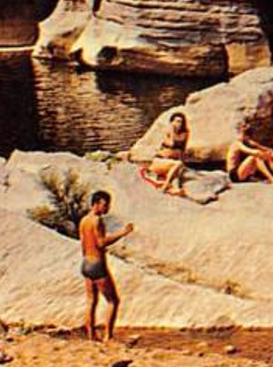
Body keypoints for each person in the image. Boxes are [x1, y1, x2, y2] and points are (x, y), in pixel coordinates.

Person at [79, 191, 134, 342]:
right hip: (97, 263)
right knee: (113, 300)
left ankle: (91, 336)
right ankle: (108, 336)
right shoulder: (97, 221)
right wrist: (122, 233)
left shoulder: (83, 220)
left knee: (91, 300)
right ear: (96, 204)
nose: (107, 208)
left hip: (86, 262)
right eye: (104, 204)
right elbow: (101, 242)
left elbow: (83, 243)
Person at [226, 86, 273, 184]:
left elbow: (261, 148)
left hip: (244, 171)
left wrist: (270, 153)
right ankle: (272, 179)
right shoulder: (237, 143)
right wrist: (262, 154)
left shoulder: (246, 140)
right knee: (255, 158)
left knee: (270, 154)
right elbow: (253, 152)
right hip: (235, 175)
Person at [146, 112, 190, 195]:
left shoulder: (184, 134)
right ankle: (165, 185)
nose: (178, 124)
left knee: (177, 169)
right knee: (177, 164)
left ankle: (173, 189)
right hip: (160, 161)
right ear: (171, 122)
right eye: (176, 121)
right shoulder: (167, 133)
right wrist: (172, 130)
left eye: (180, 122)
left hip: (172, 163)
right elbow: (172, 143)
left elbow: (183, 149)